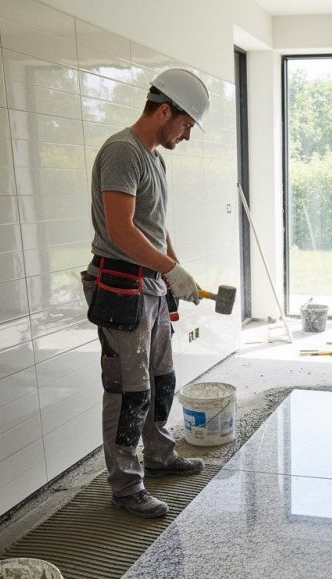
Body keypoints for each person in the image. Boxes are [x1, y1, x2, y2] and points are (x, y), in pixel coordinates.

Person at [81, 69, 211, 517]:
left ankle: (159, 455)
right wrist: (169, 269)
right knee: (129, 392)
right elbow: (121, 231)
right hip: (120, 286)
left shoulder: (154, 157)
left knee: (161, 381)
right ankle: (126, 485)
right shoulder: (123, 151)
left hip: (150, 285)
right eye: (186, 124)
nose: (187, 135)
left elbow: (155, 224)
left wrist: (176, 270)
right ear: (164, 110)